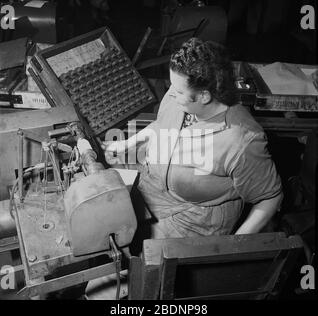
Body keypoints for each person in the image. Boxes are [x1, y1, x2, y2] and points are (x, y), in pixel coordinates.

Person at [103, 38, 283, 244]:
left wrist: (235, 245)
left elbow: (270, 197)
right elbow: (162, 125)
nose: (171, 94)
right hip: (156, 183)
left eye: (179, 91)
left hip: (196, 217)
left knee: (132, 257)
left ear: (204, 96)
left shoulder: (242, 141)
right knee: (104, 211)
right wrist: (126, 144)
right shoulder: (179, 97)